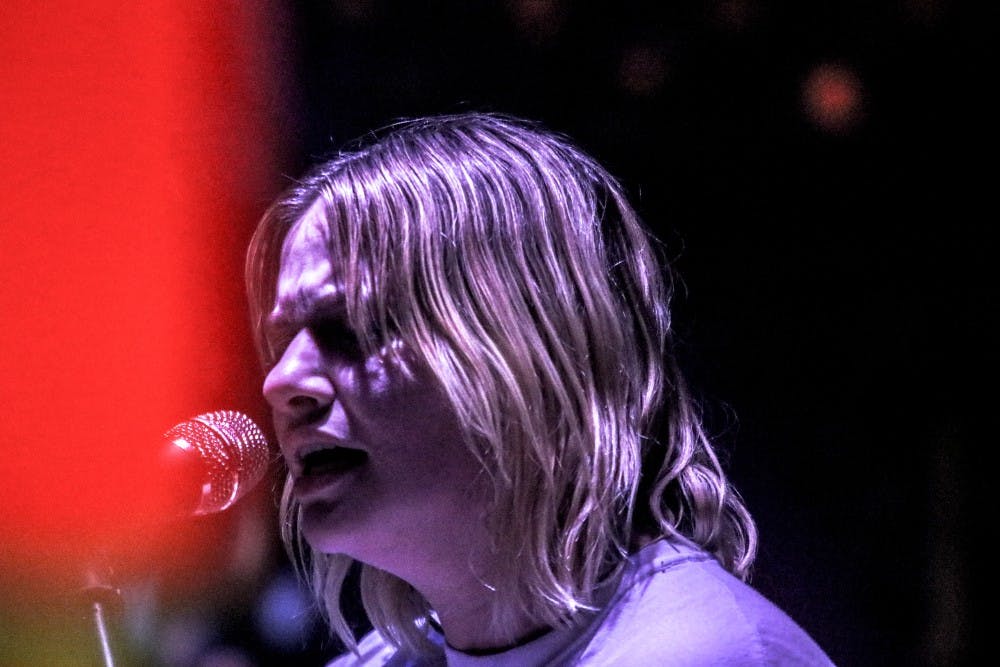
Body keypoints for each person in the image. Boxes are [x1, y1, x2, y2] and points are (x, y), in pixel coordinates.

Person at [245, 112, 836, 666]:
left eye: (356, 327)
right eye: (282, 343)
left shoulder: (705, 653)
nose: (281, 382)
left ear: (526, 346)